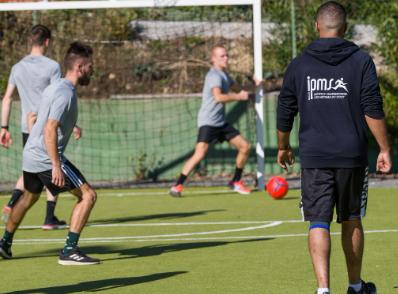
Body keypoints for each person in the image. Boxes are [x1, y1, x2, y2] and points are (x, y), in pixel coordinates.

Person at [277, 1, 392, 293]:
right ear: (345, 28)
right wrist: (384, 148)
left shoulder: (299, 63)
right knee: (352, 218)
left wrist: (283, 146)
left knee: (318, 220)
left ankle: (323, 290)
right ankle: (355, 287)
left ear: (317, 26)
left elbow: (285, 108)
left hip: (315, 156)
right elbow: (372, 107)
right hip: (351, 154)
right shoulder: (361, 60)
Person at [0, 41, 99, 265]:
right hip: (46, 157)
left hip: (31, 154)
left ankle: (4, 243)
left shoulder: (56, 86)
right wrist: (55, 164)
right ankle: (69, 250)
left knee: (28, 197)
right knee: (88, 196)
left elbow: (42, 117)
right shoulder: (65, 92)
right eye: (91, 66)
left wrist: (71, 126)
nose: (93, 70)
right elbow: (49, 127)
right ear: (80, 67)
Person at [0, 24, 81, 229]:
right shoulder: (52, 66)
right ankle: (49, 217)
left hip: (27, 128)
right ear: (47, 41)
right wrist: (74, 123)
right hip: (47, 126)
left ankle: (11, 212)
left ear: (30, 41)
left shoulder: (17, 67)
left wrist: (3, 127)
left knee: (33, 179)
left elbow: (7, 98)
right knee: (54, 168)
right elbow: (58, 94)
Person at [169, 45, 261, 197]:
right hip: (209, 121)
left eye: (226, 55)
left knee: (244, 146)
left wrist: (256, 85)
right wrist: (238, 97)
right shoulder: (214, 76)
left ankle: (236, 181)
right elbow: (218, 97)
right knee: (199, 154)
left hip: (221, 122)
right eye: (222, 56)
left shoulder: (225, 75)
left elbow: (240, 90)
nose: (226, 58)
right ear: (213, 59)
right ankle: (177, 186)